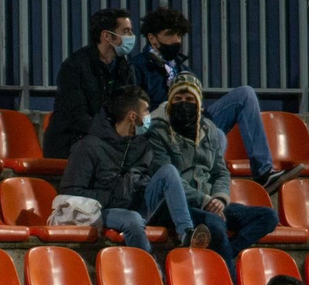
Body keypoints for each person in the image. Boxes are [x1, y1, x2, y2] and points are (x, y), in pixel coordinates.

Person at [130, 6, 302, 193]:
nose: (176, 41)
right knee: (217, 136)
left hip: (193, 122)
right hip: (164, 128)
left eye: (179, 35)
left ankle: (264, 173)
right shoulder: (137, 67)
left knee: (245, 94)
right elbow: (137, 110)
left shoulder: (181, 67)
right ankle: (204, 187)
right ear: (152, 38)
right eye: (170, 34)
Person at [145, 73, 278, 273]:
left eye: (189, 99)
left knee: (268, 217)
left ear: (199, 103)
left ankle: (224, 252)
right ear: (170, 101)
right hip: (173, 206)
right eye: (178, 99)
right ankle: (228, 282)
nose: (184, 103)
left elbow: (220, 172)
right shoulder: (157, 132)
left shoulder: (212, 132)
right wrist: (205, 200)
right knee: (215, 223)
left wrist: (219, 199)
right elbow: (167, 178)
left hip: (210, 203)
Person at [57, 85, 210, 254]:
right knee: (133, 219)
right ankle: (151, 270)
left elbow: (145, 177)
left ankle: (187, 233)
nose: (148, 116)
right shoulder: (88, 146)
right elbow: (70, 192)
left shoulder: (141, 144)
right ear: (132, 116)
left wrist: (138, 185)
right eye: (145, 111)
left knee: (168, 171)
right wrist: (112, 195)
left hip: (135, 203)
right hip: (103, 210)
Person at [43, 8, 138, 160]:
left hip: (109, 140)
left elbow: (132, 104)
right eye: (126, 31)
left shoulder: (125, 68)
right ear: (107, 35)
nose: (132, 37)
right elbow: (77, 116)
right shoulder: (75, 66)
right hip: (72, 141)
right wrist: (112, 133)